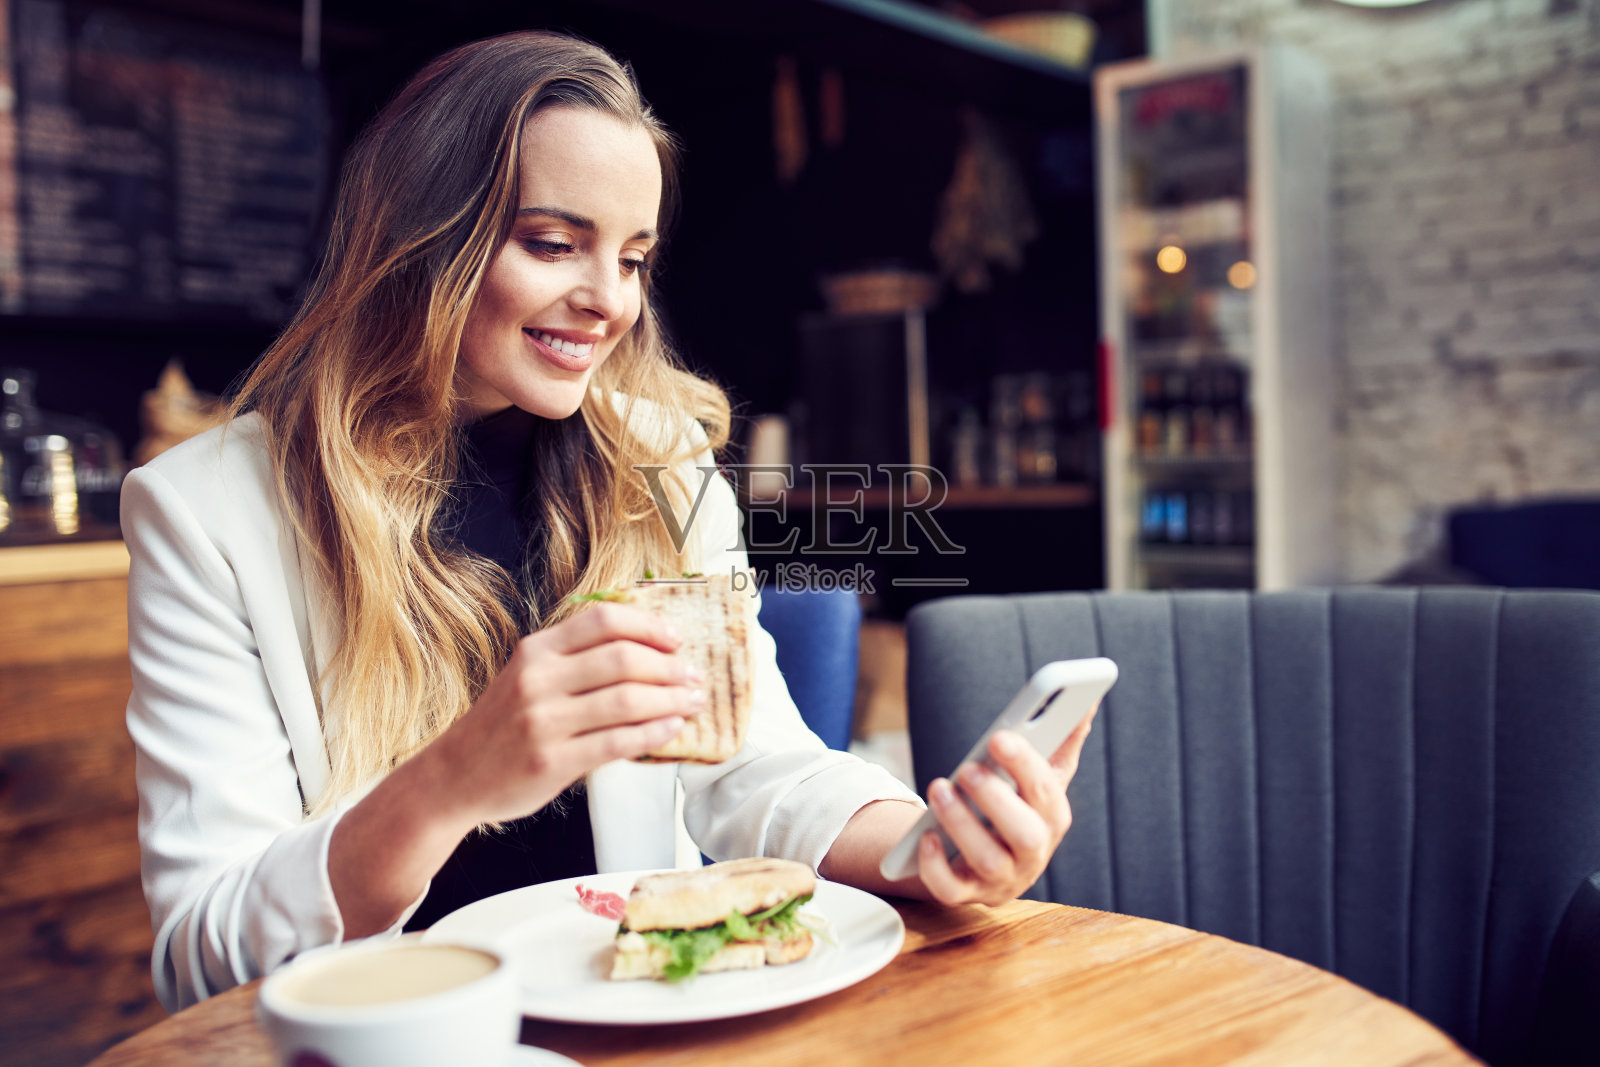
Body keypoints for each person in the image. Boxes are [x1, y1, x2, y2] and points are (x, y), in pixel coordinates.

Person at [122, 30, 1096, 1012]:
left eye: (632, 259)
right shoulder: (205, 513)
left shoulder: (659, 459)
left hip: (638, 1024)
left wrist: (926, 847)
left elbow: (758, 764)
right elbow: (203, 953)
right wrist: (452, 779)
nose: (607, 301)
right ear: (421, 239)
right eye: (553, 244)